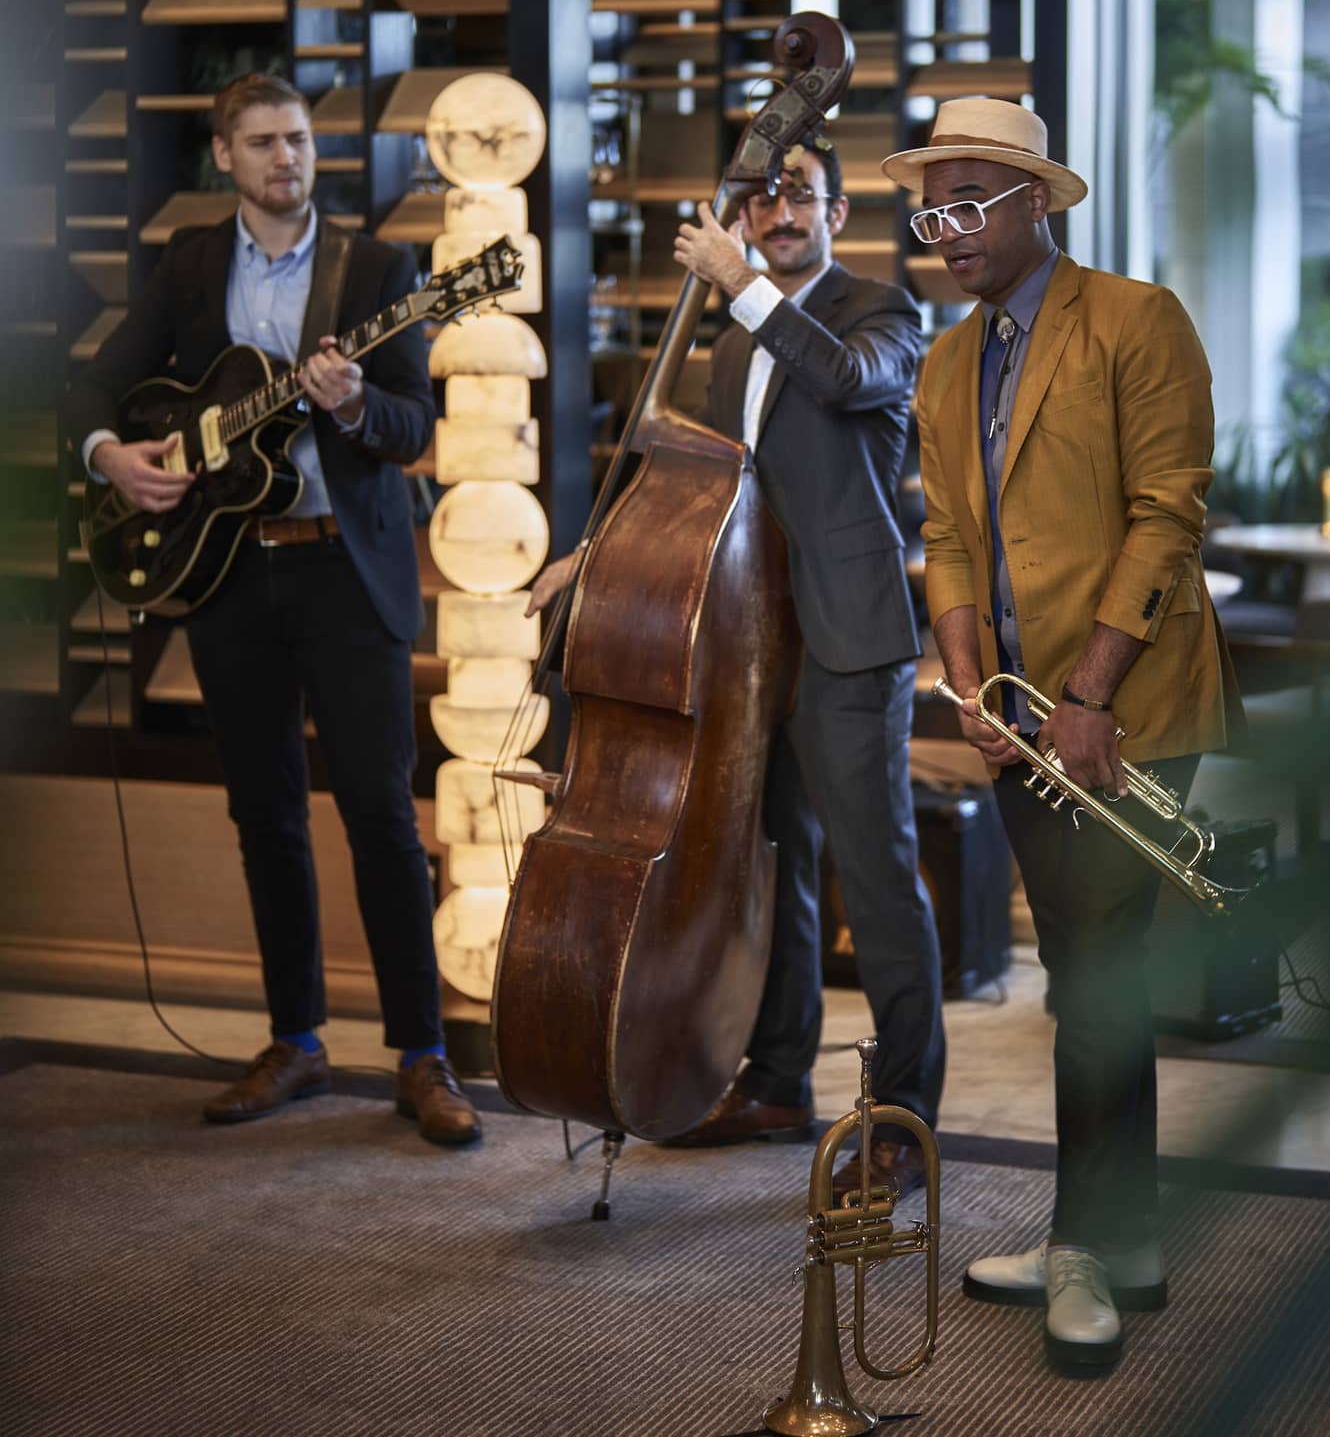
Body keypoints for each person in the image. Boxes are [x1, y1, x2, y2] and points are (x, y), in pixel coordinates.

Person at [886, 96, 1240, 1372]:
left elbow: (1168, 515)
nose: (947, 233)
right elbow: (947, 535)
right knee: (1086, 976)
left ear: (1037, 199)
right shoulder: (944, 360)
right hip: (1021, 724)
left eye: (970, 205)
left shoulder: (1137, 320)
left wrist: (1087, 695)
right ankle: (1113, 1236)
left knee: (1094, 976)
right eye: (931, 213)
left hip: (1122, 711)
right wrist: (967, 679)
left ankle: (1093, 1244)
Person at [68, 73, 480, 1148]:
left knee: (382, 816)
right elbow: (97, 385)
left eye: (297, 139)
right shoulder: (190, 263)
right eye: (261, 142)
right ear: (225, 156)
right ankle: (294, 1040)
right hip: (227, 578)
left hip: (346, 570)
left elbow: (412, 427)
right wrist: (111, 457)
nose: (285, 157)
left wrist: (356, 401)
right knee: (265, 815)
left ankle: (421, 1055)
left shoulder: (376, 270)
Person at [529, 138, 945, 1195]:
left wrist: (740, 285)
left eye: (800, 194)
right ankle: (778, 1080)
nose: (778, 211)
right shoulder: (726, 348)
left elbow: (847, 381)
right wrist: (595, 554)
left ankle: (904, 1125)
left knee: (879, 884)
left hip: (849, 644)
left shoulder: (882, 312)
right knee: (773, 867)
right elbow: (700, 490)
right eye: (762, 198)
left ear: (837, 213)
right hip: (749, 648)